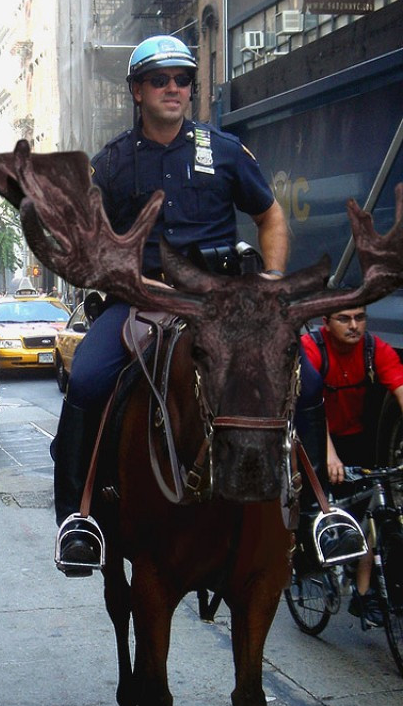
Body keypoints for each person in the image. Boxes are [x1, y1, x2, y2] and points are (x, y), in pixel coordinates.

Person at [53, 35, 292, 576]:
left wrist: (272, 284)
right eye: (159, 79)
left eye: (182, 79)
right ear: (137, 90)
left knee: (305, 372)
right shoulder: (109, 164)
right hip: (141, 300)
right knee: (88, 378)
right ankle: (77, 518)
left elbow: (271, 218)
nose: (173, 88)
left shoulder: (224, 151)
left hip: (221, 301)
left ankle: (316, 505)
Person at [302, 308, 403, 625]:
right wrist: (328, 454)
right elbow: (310, 406)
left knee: (375, 507)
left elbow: (401, 390)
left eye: (360, 318)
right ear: (326, 323)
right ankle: (304, 556)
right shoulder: (311, 347)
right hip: (315, 431)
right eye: (344, 319)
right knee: (313, 501)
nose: (354, 325)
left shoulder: (375, 349)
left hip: (354, 434)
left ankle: (361, 593)